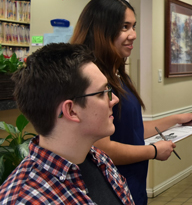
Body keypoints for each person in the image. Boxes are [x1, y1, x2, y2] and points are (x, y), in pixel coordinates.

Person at [70, 0, 192, 205]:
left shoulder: (118, 75)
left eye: (134, 26)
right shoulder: (92, 79)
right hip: (109, 188)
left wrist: (175, 119)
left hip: (131, 184)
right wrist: (154, 151)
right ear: (101, 29)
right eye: (124, 27)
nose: (133, 35)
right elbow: (102, 148)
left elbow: (130, 129)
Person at [0, 43, 134, 204]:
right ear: (71, 110)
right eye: (103, 93)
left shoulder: (100, 160)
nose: (114, 100)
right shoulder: (25, 199)